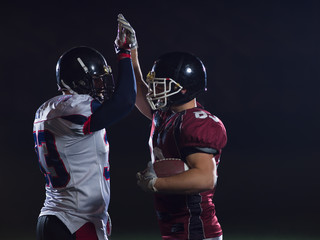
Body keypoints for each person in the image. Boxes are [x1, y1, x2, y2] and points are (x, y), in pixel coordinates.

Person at [118, 15, 227, 240]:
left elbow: (206, 178)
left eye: (161, 85)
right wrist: (130, 52)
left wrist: (157, 183)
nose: (154, 90)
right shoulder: (167, 115)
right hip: (177, 228)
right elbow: (139, 90)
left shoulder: (197, 122)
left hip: (195, 229)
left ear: (184, 89)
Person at [32, 17, 137, 240]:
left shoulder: (48, 109)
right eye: (96, 81)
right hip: (73, 221)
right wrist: (124, 53)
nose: (101, 88)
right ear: (78, 80)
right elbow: (125, 102)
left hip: (59, 217)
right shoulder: (74, 108)